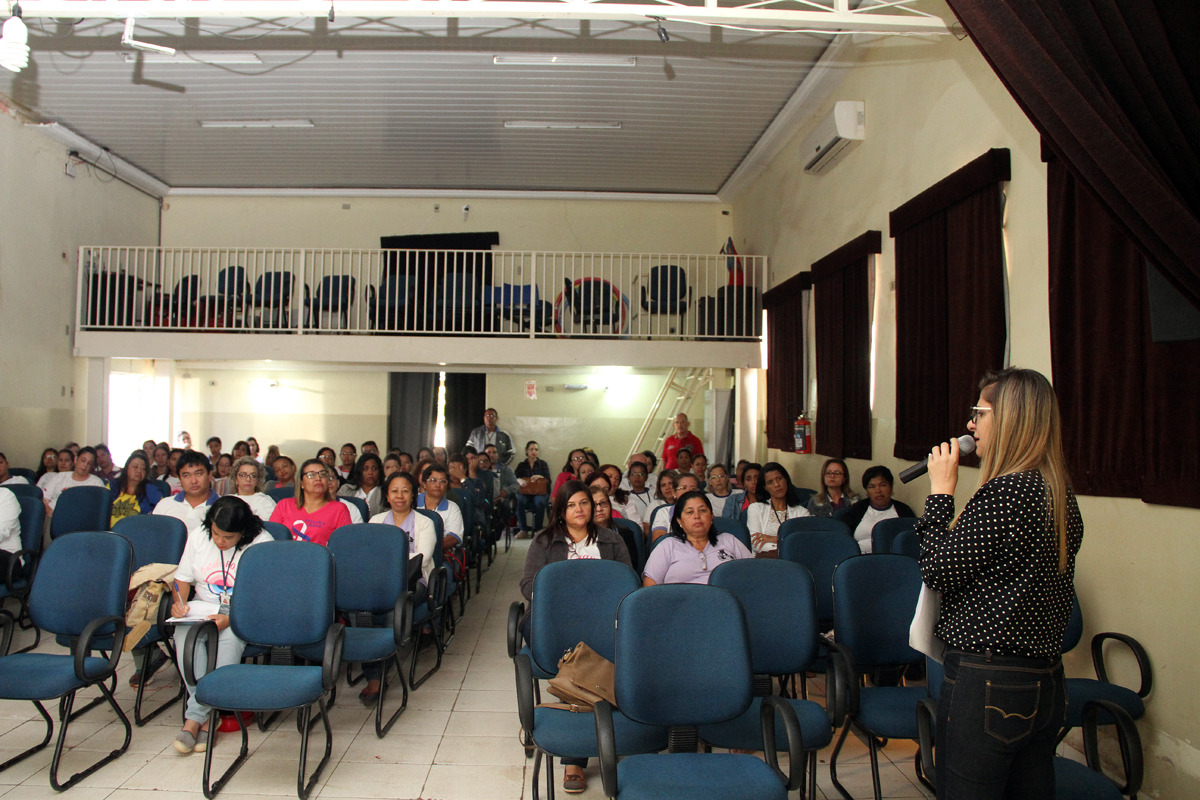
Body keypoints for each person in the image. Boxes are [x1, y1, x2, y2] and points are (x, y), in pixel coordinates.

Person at [918, 367, 1083, 800]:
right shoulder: (1056, 491)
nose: (971, 425)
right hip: (1045, 679)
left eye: (980, 414)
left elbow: (936, 571)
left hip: (989, 682)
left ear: (1010, 420)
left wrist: (939, 494)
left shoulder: (1006, 492)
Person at [519, 479, 632, 796]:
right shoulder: (544, 541)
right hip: (555, 621)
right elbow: (529, 584)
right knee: (577, 656)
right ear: (560, 511)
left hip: (604, 620)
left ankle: (600, 740)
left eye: (584, 503)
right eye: (571, 505)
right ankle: (575, 757)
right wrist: (564, 603)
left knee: (606, 648)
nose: (580, 509)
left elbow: (627, 582)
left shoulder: (611, 540)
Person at [170, 496, 274, 755]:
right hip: (200, 608)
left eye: (228, 537)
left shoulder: (262, 543)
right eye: (216, 533)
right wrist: (180, 603)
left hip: (241, 612)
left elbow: (262, 594)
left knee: (226, 648)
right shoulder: (198, 536)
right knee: (187, 644)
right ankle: (208, 718)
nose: (219, 541)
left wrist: (230, 618)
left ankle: (194, 719)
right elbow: (181, 579)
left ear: (243, 532)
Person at [365, 470, 438, 704]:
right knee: (364, 614)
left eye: (405, 491)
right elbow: (368, 557)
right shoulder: (376, 522)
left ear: (413, 495)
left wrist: (388, 563)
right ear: (387, 496)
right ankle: (376, 666)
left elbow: (422, 558)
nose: (400, 496)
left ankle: (377, 677)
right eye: (394, 491)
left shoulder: (425, 523)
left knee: (390, 610)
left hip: (413, 582)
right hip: (378, 583)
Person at [642, 490, 752, 586]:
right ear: (679, 520)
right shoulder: (667, 546)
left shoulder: (729, 540)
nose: (697, 516)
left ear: (712, 516)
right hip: (680, 606)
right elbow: (650, 590)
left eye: (703, 510)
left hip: (727, 605)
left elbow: (754, 573)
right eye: (690, 512)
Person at [269, 458, 351, 546]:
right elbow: (271, 541)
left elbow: (344, 546)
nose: (318, 478)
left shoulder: (339, 509)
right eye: (311, 475)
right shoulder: (284, 505)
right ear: (301, 484)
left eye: (323, 474)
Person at [842, 466, 917, 553]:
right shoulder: (858, 509)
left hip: (891, 561)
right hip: (858, 559)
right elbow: (844, 539)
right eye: (871, 486)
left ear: (891, 488)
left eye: (883, 485)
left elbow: (910, 541)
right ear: (867, 492)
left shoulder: (903, 511)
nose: (878, 490)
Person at [746, 462, 809, 555]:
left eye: (779, 479)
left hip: (793, 564)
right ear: (765, 487)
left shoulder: (802, 513)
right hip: (764, 562)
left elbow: (803, 544)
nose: (776, 484)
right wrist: (787, 544)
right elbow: (755, 544)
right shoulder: (756, 508)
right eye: (770, 482)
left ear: (786, 480)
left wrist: (773, 539)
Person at [153, 450, 220, 537]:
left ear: (210, 475)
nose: (193, 481)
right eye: (186, 475)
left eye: (198, 474)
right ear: (180, 479)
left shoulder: (223, 506)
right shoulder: (165, 505)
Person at [41, 446, 106, 511]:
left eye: (89, 463)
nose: (85, 465)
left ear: (92, 466)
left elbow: (101, 507)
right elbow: (44, 499)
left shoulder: (96, 483)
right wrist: (50, 513)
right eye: (83, 460)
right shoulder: (60, 476)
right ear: (76, 459)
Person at [109, 452, 164, 526]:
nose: (139, 471)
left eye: (143, 469)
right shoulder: (113, 485)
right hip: (110, 534)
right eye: (135, 467)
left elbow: (164, 512)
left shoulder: (151, 490)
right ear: (127, 468)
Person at [417, 463, 464, 545]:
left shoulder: (452, 508)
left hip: (441, 552)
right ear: (424, 483)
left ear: (447, 485)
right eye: (433, 480)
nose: (438, 485)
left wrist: (431, 547)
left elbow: (454, 537)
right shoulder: (413, 503)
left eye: (442, 481)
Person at [514, 440, 551, 538]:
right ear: (526, 451)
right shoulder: (521, 465)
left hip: (539, 493)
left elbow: (548, 481)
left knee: (540, 502)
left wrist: (540, 477)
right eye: (531, 449)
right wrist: (520, 480)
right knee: (519, 501)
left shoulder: (543, 464)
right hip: (525, 492)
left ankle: (538, 530)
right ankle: (523, 530)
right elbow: (514, 478)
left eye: (536, 449)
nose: (534, 451)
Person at [650, 472, 701, 539]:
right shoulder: (663, 512)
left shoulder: (704, 512)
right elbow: (659, 540)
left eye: (693, 489)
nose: (688, 491)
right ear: (674, 492)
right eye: (683, 488)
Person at [228, 456, 277, 521]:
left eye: (253, 476)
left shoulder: (266, 502)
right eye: (243, 475)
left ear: (258, 480)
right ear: (235, 479)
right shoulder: (227, 501)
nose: (248, 479)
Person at [337, 452, 385, 517]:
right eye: (365, 469)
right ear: (359, 471)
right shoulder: (346, 490)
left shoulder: (385, 492)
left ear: (379, 471)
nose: (370, 472)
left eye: (374, 469)